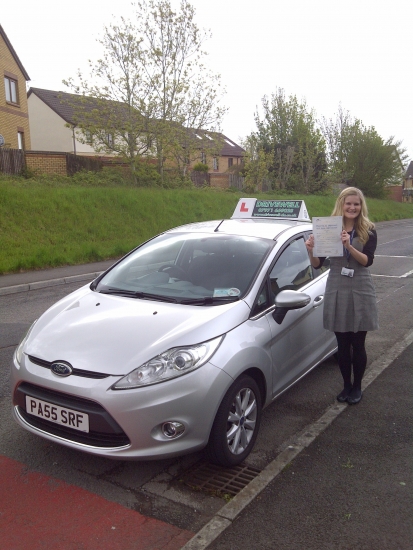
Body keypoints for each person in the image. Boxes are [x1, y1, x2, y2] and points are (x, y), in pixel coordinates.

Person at [305, 187, 378, 405]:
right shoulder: (329, 227)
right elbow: (317, 265)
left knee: (358, 342)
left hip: (360, 285)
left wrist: (348, 246)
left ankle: (357, 387)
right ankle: (346, 385)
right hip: (337, 284)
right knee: (342, 343)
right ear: (341, 204)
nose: (352, 207)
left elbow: (368, 261)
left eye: (356, 204)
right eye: (348, 204)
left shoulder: (368, 230)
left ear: (361, 205)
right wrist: (311, 249)